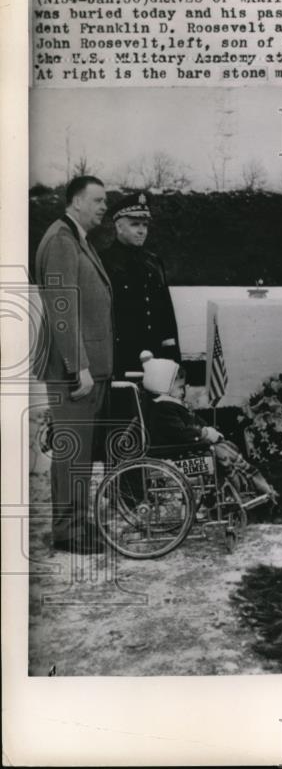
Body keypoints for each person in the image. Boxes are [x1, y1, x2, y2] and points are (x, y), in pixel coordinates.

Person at [34, 175, 112, 553]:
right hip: (74, 370)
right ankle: (67, 530)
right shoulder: (62, 240)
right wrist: (78, 365)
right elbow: (60, 307)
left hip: (86, 366)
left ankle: (79, 523)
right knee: (71, 452)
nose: (103, 208)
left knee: (80, 452)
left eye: (105, 201)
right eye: (97, 200)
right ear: (76, 201)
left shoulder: (77, 238)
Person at [139, 352, 278, 507]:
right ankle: (243, 489)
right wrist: (203, 433)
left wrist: (208, 429)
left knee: (227, 447)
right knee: (222, 452)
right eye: (180, 387)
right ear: (163, 386)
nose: (183, 390)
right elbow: (180, 432)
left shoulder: (173, 405)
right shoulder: (163, 408)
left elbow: (195, 421)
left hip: (185, 448)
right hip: (175, 452)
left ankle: (246, 488)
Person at [100, 193, 180, 376]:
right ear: (119, 227)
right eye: (134, 224)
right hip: (121, 357)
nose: (141, 230)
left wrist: (172, 355)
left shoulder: (153, 262)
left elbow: (166, 313)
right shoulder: (104, 262)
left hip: (156, 358)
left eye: (145, 225)